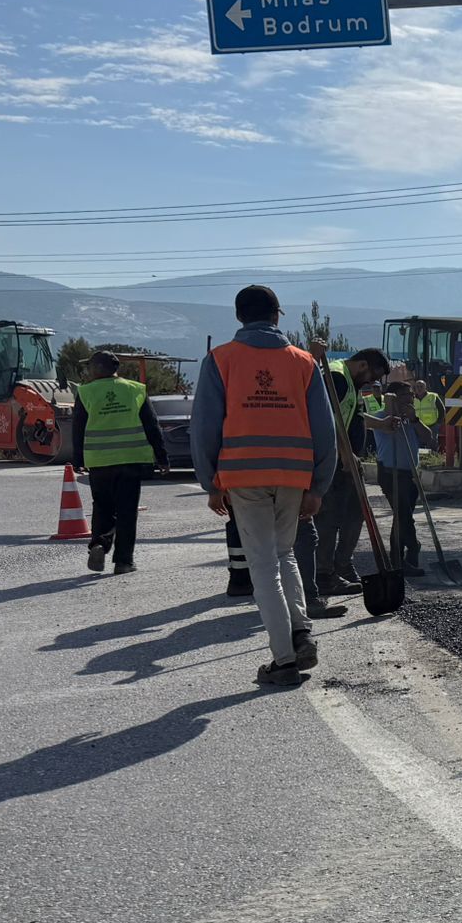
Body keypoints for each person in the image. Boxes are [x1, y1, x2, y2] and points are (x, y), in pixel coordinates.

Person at [192, 285, 337, 688]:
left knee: (261, 565)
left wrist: (211, 483)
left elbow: (204, 426)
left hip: (244, 476)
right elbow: (325, 431)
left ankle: (284, 660)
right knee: (285, 553)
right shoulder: (303, 362)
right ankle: (301, 631)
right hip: (293, 475)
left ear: (240, 317)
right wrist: (318, 486)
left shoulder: (221, 359)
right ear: (277, 316)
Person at [70, 350, 169, 574]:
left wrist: (77, 459)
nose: (87, 371)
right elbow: (152, 425)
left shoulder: (86, 392)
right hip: (131, 460)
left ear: (97, 368)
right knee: (127, 510)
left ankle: (99, 544)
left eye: (89, 367)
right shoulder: (135, 389)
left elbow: (78, 427)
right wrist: (162, 457)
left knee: (103, 506)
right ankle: (124, 561)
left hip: (100, 462)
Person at [310, 344, 391, 598]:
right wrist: (344, 453)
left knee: (355, 515)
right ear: (363, 365)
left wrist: (383, 424)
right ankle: (323, 575)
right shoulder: (336, 377)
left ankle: (342, 565)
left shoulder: (352, 384)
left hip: (349, 462)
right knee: (328, 519)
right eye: (373, 377)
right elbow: (327, 420)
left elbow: (355, 417)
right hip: (330, 462)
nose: (372, 382)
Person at [368, 373, 432, 577]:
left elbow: (428, 438)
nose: (410, 398)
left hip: (410, 473)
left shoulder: (411, 419)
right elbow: (368, 424)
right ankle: (410, 549)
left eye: (411, 395)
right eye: (405, 395)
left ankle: (400, 557)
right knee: (403, 515)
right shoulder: (382, 417)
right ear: (393, 397)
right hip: (390, 472)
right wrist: (390, 413)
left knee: (402, 516)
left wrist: (414, 419)